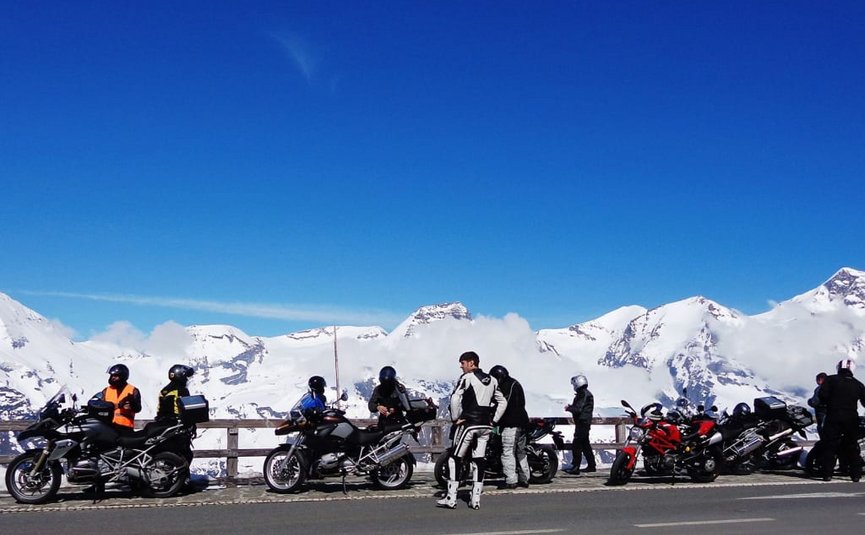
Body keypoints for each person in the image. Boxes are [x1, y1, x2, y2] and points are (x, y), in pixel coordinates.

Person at [437, 351, 507, 510]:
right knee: (479, 460)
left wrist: (455, 418)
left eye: (462, 363)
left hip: (469, 424)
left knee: (454, 458)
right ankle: (475, 499)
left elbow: (455, 398)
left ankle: (451, 498)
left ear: (471, 362)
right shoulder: (493, 380)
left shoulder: (467, 378)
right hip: (486, 425)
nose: (461, 366)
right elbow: (502, 402)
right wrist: (494, 420)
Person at [817, 359, 865, 482]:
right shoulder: (858, 384)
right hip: (851, 418)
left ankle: (827, 474)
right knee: (852, 446)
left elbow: (822, 397)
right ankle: (856, 475)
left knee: (830, 445)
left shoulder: (830, 380)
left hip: (833, 416)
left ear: (838, 367)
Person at [489, 365, 530, 489]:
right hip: (522, 422)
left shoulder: (507, 386)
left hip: (511, 423)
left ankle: (511, 480)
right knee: (521, 452)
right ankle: (525, 478)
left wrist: (492, 414)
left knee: (507, 451)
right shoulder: (515, 383)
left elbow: (503, 404)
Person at [564, 374, 596, 475]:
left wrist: (569, 408)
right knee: (585, 444)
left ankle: (576, 466)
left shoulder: (582, 394)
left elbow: (578, 409)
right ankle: (592, 465)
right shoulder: (586, 393)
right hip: (585, 422)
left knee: (577, 444)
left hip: (582, 422)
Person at [99, 363, 142, 435]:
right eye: (111, 375)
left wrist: (132, 403)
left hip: (125, 428)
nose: (112, 377)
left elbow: (138, 408)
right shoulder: (106, 390)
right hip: (108, 426)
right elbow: (100, 407)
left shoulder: (133, 390)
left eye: (115, 376)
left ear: (123, 376)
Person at [808, 372, 828, 439]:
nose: (817, 381)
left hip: (821, 411)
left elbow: (815, 401)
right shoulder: (833, 388)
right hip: (829, 412)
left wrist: (810, 402)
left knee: (822, 428)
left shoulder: (820, 389)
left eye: (818, 379)